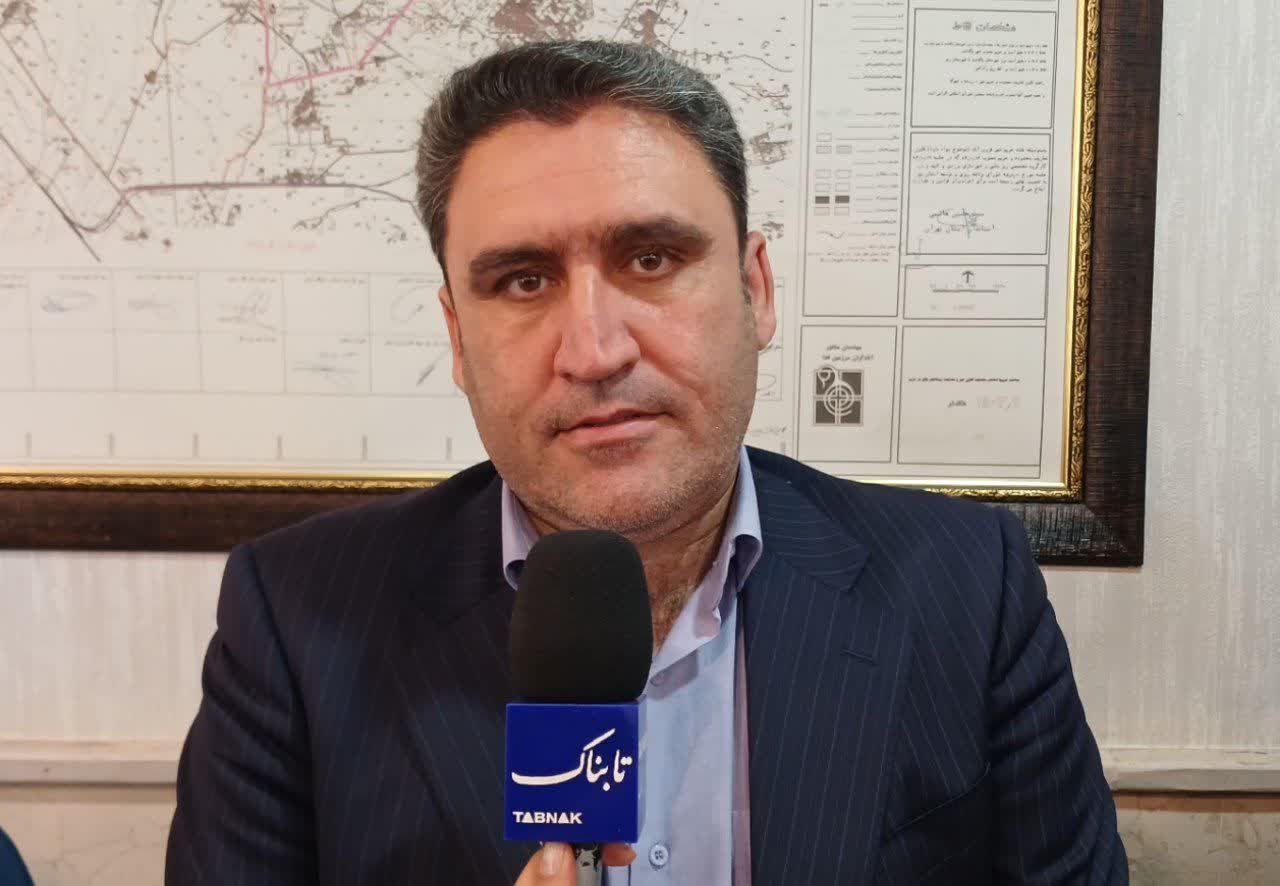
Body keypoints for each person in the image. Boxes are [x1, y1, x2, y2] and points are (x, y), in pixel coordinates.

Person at [166, 40, 1127, 885]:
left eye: (652, 260)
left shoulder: (967, 587)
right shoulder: (296, 618)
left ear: (755, 290)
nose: (594, 351)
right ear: (457, 338)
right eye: (523, 281)